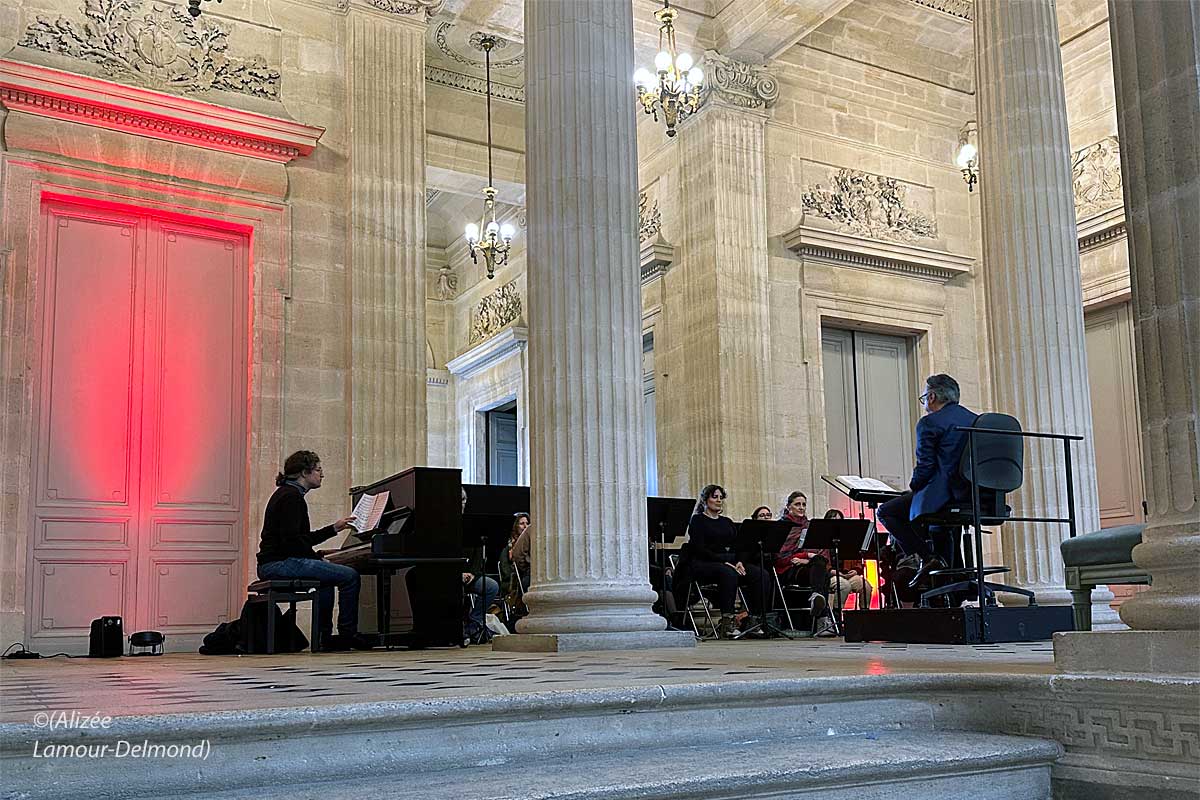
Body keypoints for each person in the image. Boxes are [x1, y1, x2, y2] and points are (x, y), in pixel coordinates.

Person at [256, 450, 371, 651]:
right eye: (318, 470)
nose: (322, 474)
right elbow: (293, 543)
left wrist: (334, 529)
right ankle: (347, 635)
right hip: (278, 564)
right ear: (304, 472)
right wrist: (316, 559)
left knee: (326, 580)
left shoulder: (288, 494)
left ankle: (323, 637)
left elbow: (298, 540)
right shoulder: (291, 497)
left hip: (275, 561)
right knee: (350, 576)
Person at [877, 373, 979, 589]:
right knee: (939, 525)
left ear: (932, 397)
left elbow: (925, 468)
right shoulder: (976, 420)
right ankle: (952, 587)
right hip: (974, 497)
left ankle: (929, 557)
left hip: (944, 496)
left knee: (886, 512)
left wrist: (914, 487)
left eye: (924, 397)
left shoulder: (930, 422)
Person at [673, 484, 773, 639]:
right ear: (705, 500)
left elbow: (738, 545)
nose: (719, 500)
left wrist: (739, 561)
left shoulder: (727, 522)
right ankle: (727, 622)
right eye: (715, 497)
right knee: (728, 573)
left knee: (761, 574)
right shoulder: (698, 520)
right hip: (703, 563)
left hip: (730, 563)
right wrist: (724, 561)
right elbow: (699, 548)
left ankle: (754, 619)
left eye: (721, 497)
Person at [460, 489, 500, 645]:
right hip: (451, 574)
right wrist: (459, 573)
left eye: (464, 500)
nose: (462, 503)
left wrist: (472, 573)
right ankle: (462, 627)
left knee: (491, 586)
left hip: (470, 575)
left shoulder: (472, 525)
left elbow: (478, 555)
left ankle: (474, 622)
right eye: (459, 500)